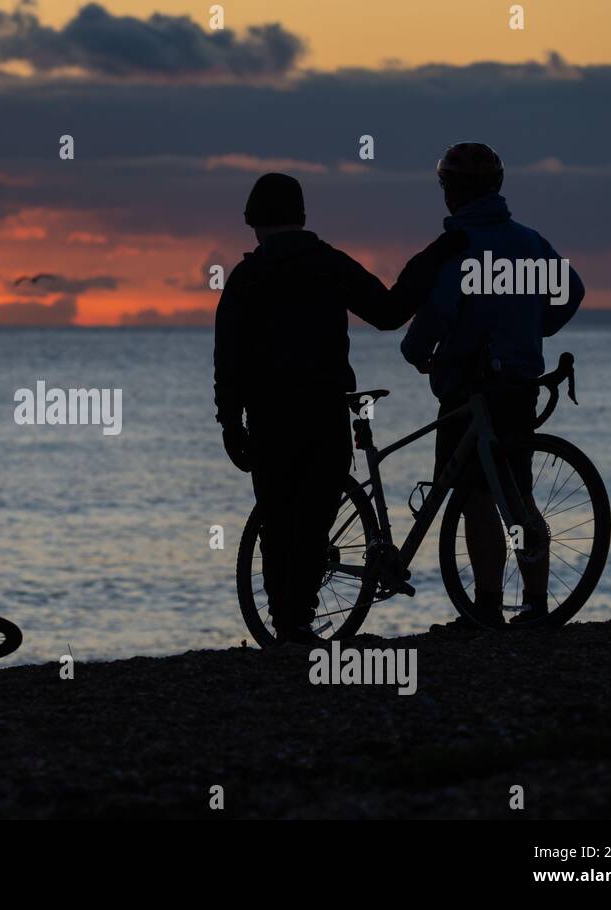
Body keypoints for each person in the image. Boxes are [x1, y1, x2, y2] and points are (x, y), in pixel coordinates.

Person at [214, 173, 465, 643]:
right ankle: (297, 623)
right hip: (322, 410)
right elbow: (390, 312)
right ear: (303, 217)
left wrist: (230, 421)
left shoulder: (246, 278)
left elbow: (227, 359)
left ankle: (285, 625)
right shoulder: (328, 264)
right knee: (312, 518)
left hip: (267, 415)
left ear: (252, 222)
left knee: (277, 518)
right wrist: (436, 253)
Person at [400, 142, 584, 626]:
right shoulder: (528, 242)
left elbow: (434, 316)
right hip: (519, 385)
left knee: (477, 498)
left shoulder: (460, 247)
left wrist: (415, 354)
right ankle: (535, 605)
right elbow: (574, 290)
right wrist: (535, 326)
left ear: (452, 192)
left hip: (469, 386)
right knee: (518, 494)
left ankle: (485, 608)